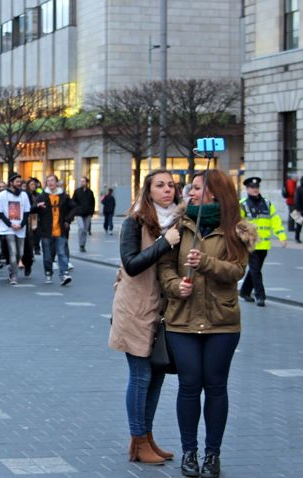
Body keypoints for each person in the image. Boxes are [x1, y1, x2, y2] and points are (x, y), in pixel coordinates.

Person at [158, 170, 257, 478]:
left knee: (215, 387)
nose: (190, 192)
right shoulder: (180, 225)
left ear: (214, 193)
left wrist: (207, 264)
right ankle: (190, 452)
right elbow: (164, 267)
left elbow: (237, 270)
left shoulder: (236, 229)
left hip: (221, 322)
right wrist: (176, 287)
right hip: (182, 320)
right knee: (188, 386)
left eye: (197, 188)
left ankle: (212, 455)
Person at [109, 170, 181, 465]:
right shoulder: (134, 222)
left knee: (157, 376)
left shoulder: (177, 223)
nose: (168, 190)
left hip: (162, 312)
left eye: (172, 185)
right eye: (160, 185)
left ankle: (147, 438)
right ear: (148, 191)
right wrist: (164, 243)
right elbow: (131, 264)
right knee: (140, 377)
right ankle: (138, 441)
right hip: (135, 309)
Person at [239, 176, 287, 307]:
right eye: (252, 187)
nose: (255, 189)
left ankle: (244, 291)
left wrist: (282, 236)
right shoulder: (242, 204)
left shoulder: (267, 203)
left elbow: (275, 221)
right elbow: (238, 223)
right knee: (256, 270)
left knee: (255, 270)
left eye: (256, 187)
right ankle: (260, 296)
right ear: (247, 189)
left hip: (264, 244)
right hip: (251, 244)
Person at [34, 174, 77, 285]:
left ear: (56, 182)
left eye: (52, 180)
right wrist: (38, 206)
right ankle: (48, 273)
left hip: (60, 229)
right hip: (46, 231)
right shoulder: (42, 196)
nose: (50, 183)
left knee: (62, 253)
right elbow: (31, 208)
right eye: (48, 181)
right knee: (47, 255)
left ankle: (64, 274)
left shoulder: (63, 196)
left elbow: (74, 207)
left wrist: (68, 220)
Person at [0, 173, 31, 285]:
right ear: (11, 183)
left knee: (20, 253)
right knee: (13, 251)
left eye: (20, 182)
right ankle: (14, 275)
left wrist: (22, 224)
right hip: (8, 228)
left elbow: (27, 212)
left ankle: (12, 267)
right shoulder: (2, 195)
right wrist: (10, 224)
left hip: (20, 228)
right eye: (17, 182)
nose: (19, 184)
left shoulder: (24, 195)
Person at [73, 176, 95, 252]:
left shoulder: (90, 192)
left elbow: (93, 202)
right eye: (81, 181)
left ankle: (83, 245)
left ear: (86, 182)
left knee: (85, 230)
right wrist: (75, 210)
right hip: (79, 213)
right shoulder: (77, 191)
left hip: (88, 213)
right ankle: (80, 244)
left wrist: (91, 212)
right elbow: (73, 201)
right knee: (81, 228)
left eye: (83, 181)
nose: (82, 182)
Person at [295, 176, 303, 244]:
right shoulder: (298, 189)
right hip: (299, 210)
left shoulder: (298, 189)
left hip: (298, 210)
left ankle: (297, 238)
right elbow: (297, 200)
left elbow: (296, 200)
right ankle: (297, 238)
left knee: (298, 225)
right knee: (298, 225)